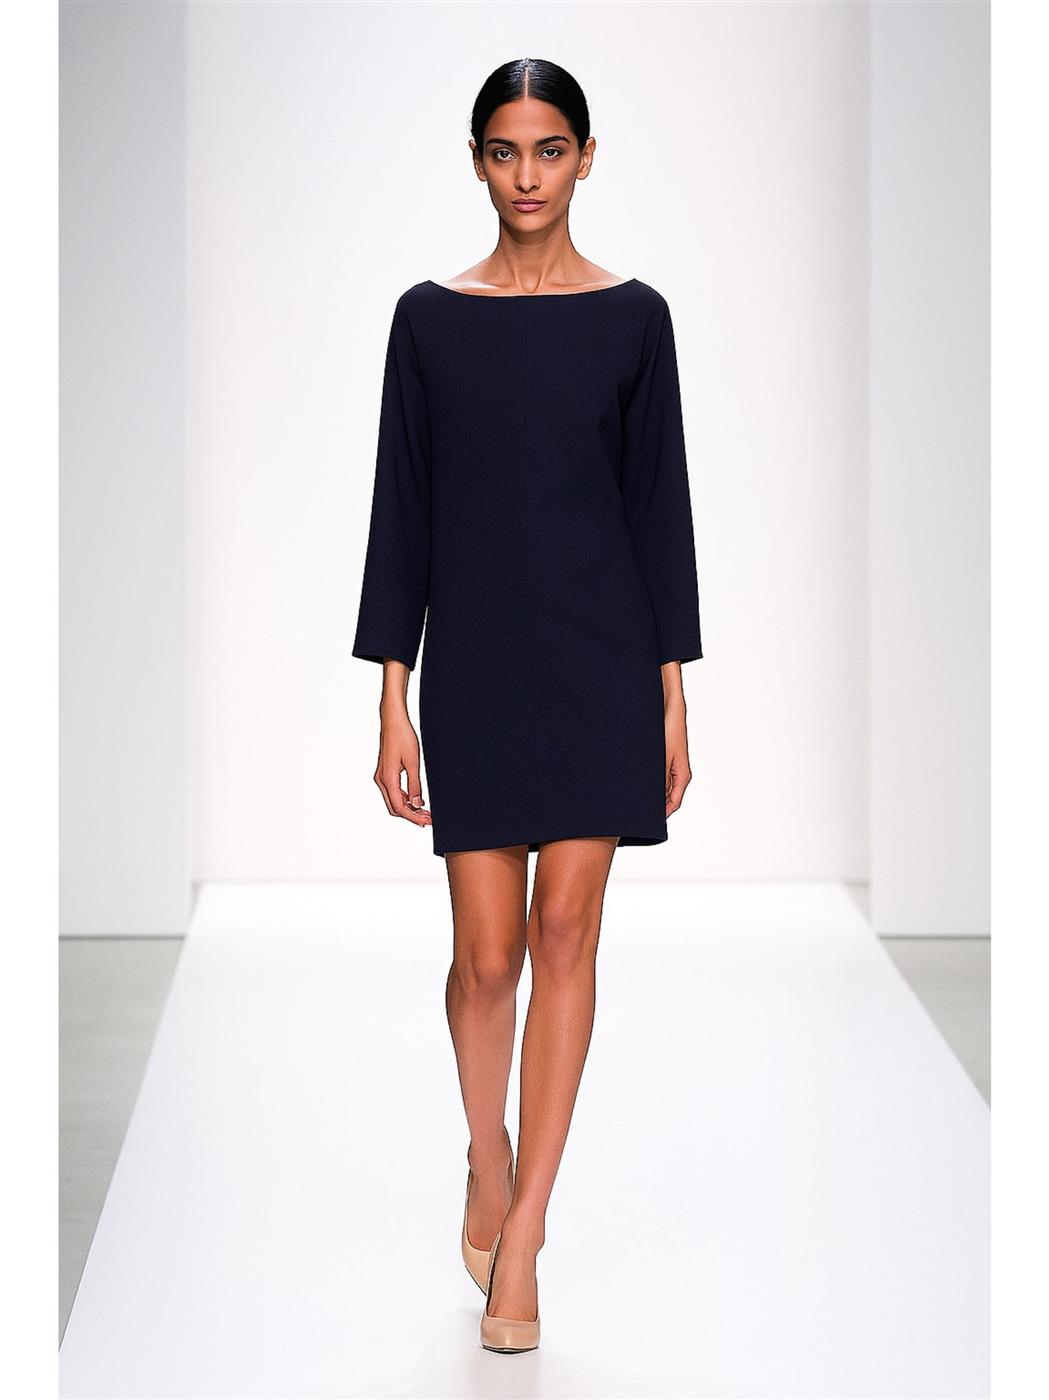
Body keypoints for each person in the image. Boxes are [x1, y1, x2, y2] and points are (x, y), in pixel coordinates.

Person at [352, 56, 703, 1353]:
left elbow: (658, 509)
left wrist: (670, 693)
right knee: (486, 955)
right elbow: (402, 510)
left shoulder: (635, 319)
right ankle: (484, 1152)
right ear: (476, 162)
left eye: (549, 150)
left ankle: (528, 1232)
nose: (527, 176)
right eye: (504, 151)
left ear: (586, 158)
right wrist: (393, 696)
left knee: (566, 932)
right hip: (481, 663)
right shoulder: (428, 321)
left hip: (603, 658)